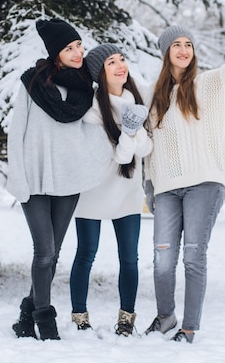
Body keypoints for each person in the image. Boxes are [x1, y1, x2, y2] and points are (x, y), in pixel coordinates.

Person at [143, 2, 225, 343]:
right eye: (176, 45)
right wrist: (150, 186)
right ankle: (166, 317)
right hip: (166, 189)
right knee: (163, 260)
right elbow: (149, 148)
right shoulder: (156, 98)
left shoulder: (211, 83)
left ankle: (189, 328)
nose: (183, 50)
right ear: (166, 53)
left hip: (204, 185)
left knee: (194, 256)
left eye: (188, 44)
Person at [7, 18, 113, 341]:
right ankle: (45, 321)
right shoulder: (32, 84)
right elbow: (16, 134)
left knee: (52, 254)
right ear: (56, 53)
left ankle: (25, 317)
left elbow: (97, 131)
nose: (78, 52)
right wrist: (18, 178)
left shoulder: (87, 91)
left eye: (79, 45)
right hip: (35, 179)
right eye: (69, 48)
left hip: (67, 182)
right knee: (44, 252)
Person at [69, 44, 152, 336]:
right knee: (86, 252)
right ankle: (79, 315)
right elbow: (118, 156)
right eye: (110, 63)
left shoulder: (136, 101)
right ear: (99, 74)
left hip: (126, 190)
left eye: (121, 60)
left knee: (129, 256)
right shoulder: (91, 109)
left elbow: (146, 147)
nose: (120, 66)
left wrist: (133, 131)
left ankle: (126, 318)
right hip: (93, 189)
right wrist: (129, 133)